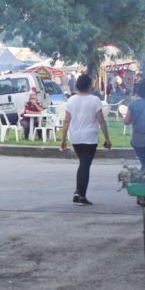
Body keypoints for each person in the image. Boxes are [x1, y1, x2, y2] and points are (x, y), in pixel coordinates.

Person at [60, 74, 111, 206]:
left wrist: (63, 138)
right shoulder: (94, 100)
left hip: (76, 137)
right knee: (85, 165)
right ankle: (80, 194)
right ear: (89, 85)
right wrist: (107, 137)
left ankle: (79, 192)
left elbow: (66, 121)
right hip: (90, 137)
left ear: (77, 85)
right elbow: (101, 120)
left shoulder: (71, 100)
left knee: (83, 164)